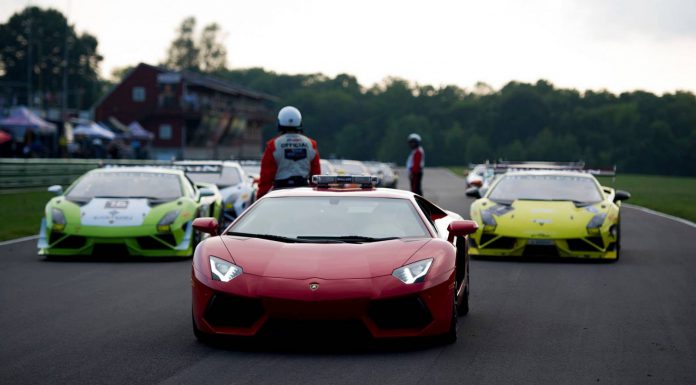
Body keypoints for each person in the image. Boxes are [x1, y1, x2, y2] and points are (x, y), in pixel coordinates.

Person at [257, 106, 321, 198]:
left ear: (280, 122)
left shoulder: (273, 145)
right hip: (303, 191)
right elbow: (316, 176)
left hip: (279, 192)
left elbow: (266, 178)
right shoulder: (311, 144)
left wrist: (260, 199)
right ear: (299, 122)